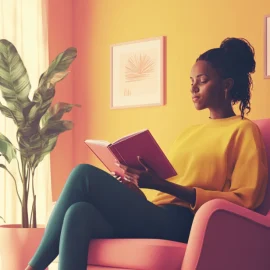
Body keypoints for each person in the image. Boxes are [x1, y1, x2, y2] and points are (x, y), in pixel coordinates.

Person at [25, 37, 268, 270]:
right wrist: (137, 188)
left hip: (187, 223)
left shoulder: (244, 130)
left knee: (83, 175)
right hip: (157, 214)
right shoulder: (190, 133)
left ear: (226, 85)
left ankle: (31, 267)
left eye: (202, 80)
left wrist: (160, 185)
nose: (193, 87)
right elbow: (166, 188)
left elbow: (246, 200)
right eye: (191, 80)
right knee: (78, 213)